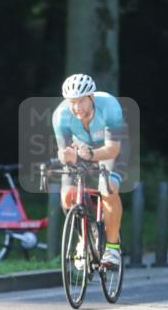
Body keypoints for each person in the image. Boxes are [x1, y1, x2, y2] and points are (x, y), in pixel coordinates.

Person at [52, 73, 127, 267]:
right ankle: (83, 241)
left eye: (81, 101)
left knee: (108, 189)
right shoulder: (61, 116)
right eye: (72, 102)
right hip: (82, 150)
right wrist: (66, 156)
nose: (76, 107)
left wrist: (90, 155)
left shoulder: (109, 106)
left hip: (110, 148)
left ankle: (112, 248)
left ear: (92, 97)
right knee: (67, 196)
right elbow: (63, 151)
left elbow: (112, 149)